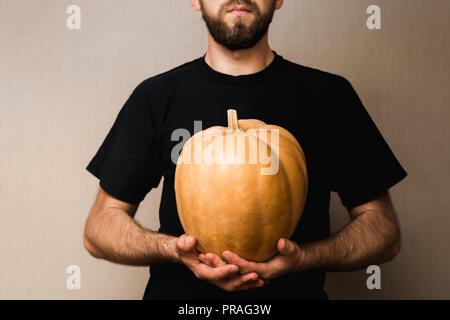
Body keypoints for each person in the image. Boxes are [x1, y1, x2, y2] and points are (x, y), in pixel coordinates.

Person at [84, 0, 408, 300]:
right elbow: (99, 228)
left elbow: (383, 231)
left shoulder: (329, 96)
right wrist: (174, 250)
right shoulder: (155, 97)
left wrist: (304, 259)